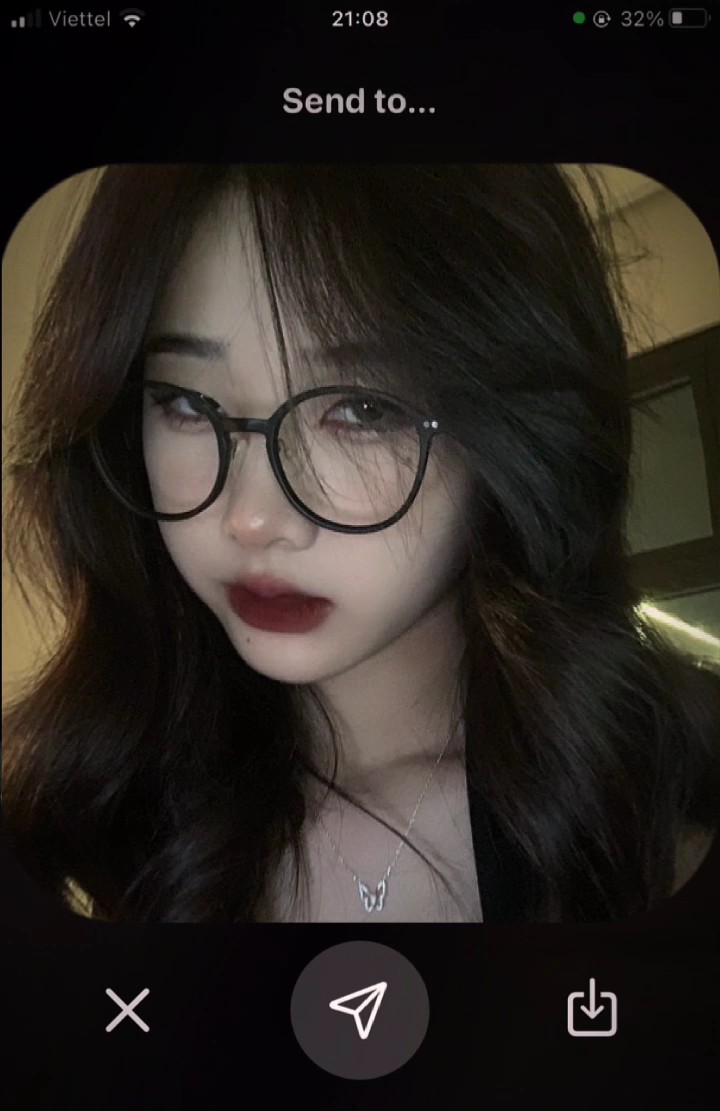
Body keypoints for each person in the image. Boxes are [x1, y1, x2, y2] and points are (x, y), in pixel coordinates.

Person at [2, 163, 718, 924]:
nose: (254, 518)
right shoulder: (103, 805)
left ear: (513, 437)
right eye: (187, 402)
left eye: (364, 411)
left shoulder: (657, 820)